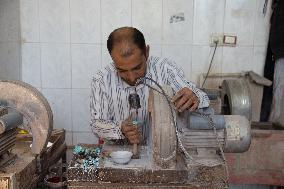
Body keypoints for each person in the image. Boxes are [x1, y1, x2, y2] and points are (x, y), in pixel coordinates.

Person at [90, 27, 209, 144]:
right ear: (113, 60)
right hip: (119, 153)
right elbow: (96, 125)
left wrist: (195, 97)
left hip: (162, 150)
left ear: (146, 52)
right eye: (122, 70)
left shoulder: (166, 69)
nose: (132, 78)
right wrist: (119, 128)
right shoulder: (101, 80)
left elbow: (203, 98)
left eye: (137, 68)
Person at [267, 0, 284, 127]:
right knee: (279, 88)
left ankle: (276, 120)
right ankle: (276, 121)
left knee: (279, 88)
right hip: (280, 53)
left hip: (280, 52)